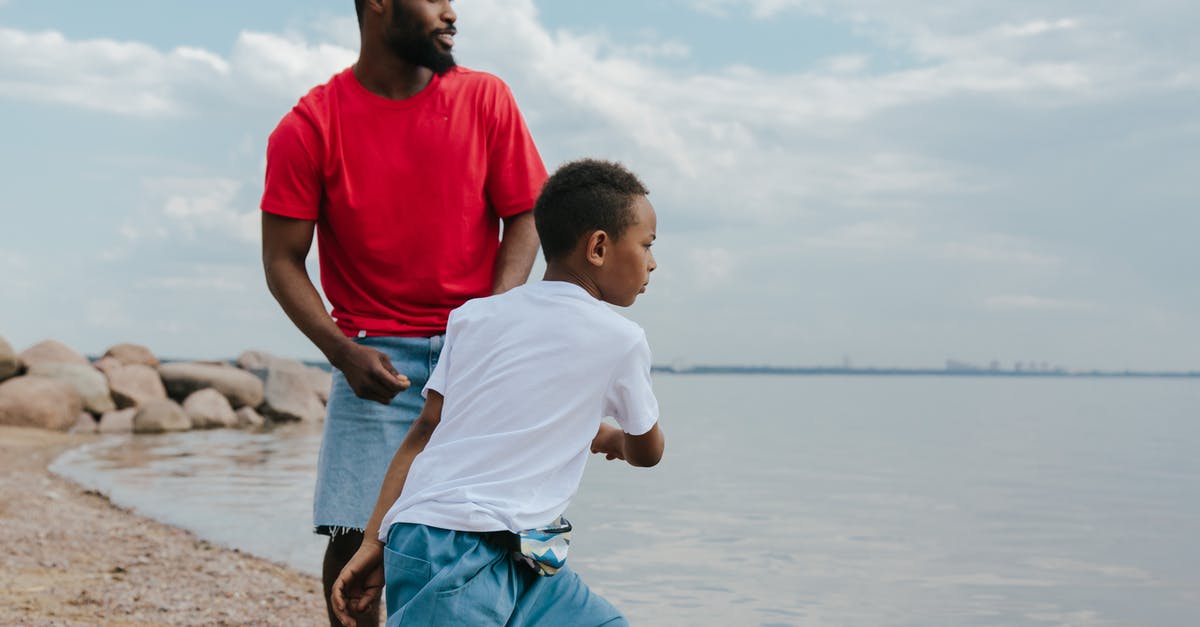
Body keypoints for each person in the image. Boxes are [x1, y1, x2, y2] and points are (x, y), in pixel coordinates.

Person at [258, 0, 546, 623]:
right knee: (356, 531)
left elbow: (525, 213)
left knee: (499, 532)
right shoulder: (310, 125)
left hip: (479, 352)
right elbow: (283, 261)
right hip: (374, 356)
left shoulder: (486, 99)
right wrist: (342, 350)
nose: (451, 12)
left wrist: (489, 324)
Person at [329, 159, 666, 626]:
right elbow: (649, 451)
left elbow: (426, 431)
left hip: (525, 553)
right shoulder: (620, 338)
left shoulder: (475, 317)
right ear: (598, 247)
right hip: (455, 548)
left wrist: (374, 540)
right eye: (647, 245)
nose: (652, 262)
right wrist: (613, 440)